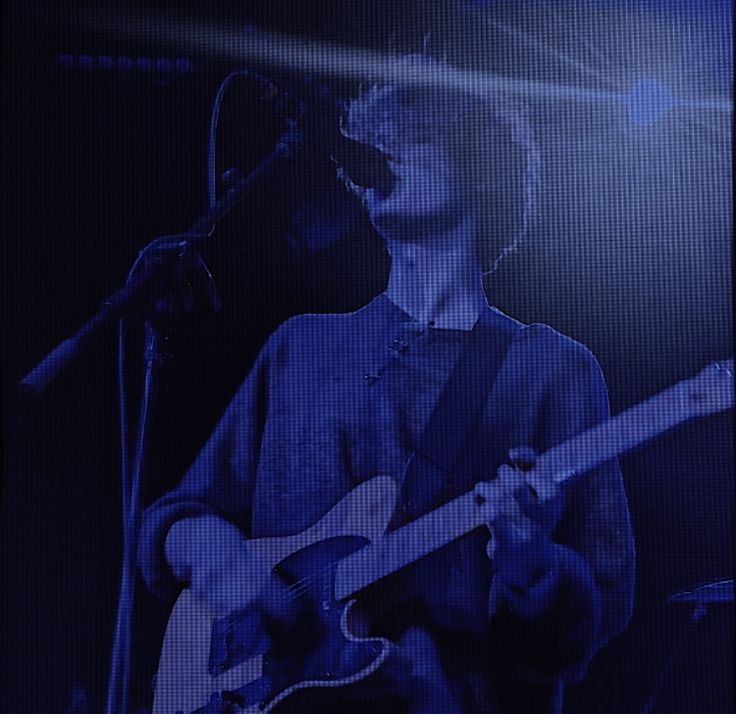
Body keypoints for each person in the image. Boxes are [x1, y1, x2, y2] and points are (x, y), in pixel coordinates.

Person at [138, 81, 635, 713]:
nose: (383, 155)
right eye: (377, 143)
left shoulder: (551, 369)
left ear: (480, 170)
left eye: (415, 140)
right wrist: (211, 555)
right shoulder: (300, 346)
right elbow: (180, 514)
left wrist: (532, 567)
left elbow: (603, 601)